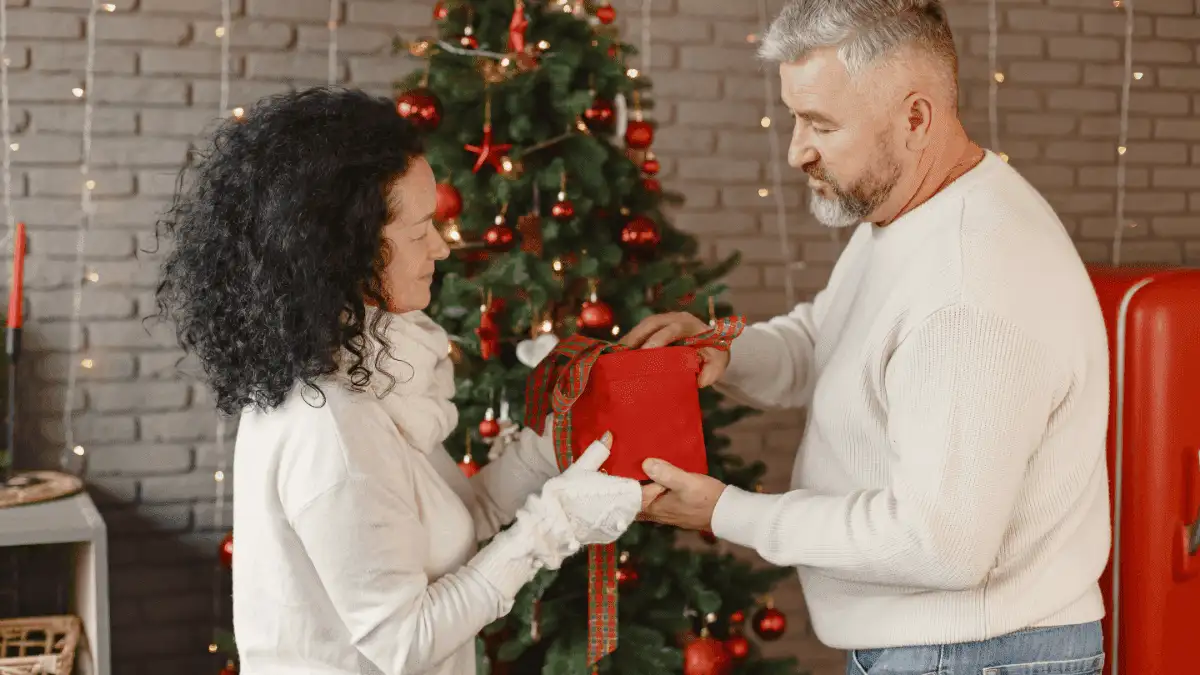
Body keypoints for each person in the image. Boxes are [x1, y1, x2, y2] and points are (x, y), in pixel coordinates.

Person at [626, 1, 1112, 674]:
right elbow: (826, 339)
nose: (796, 149)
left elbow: (939, 545)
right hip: (947, 649)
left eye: (821, 123)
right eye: (796, 116)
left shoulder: (968, 288)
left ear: (915, 119)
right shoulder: (906, 211)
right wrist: (722, 352)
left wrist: (729, 511)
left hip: (974, 655)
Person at [153, 87, 644, 675]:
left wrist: (554, 444)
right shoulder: (330, 426)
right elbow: (402, 642)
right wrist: (552, 528)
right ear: (343, 251)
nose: (441, 246)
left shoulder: (368, 368)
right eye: (419, 231)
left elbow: (458, 520)